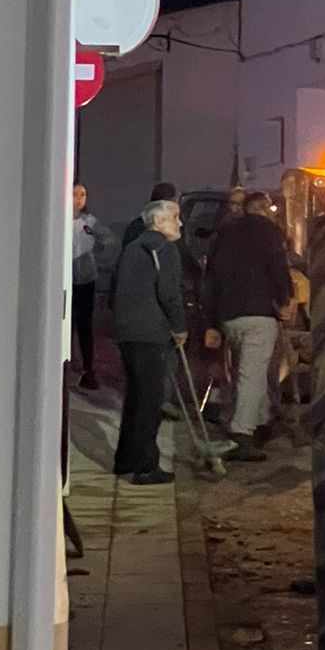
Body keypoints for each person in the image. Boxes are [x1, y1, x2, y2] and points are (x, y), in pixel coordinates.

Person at [202, 191, 293, 463]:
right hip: (258, 312)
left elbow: (210, 279)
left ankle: (262, 421)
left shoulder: (224, 234)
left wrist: (212, 322)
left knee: (247, 370)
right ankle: (242, 434)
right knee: (253, 374)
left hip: (230, 315)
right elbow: (277, 265)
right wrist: (285, 297)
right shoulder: (269, 232)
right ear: (265, 209)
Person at [109, 198, 187, 486]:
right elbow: (169, 293)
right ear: (158, 222)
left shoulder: (132, 247)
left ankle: (125, 459)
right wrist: (179, 326)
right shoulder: (165, 249)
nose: (180, 223)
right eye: (175, 217)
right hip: (151, 332)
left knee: (135, 396)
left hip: (128, 331)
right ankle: (145, 465)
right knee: (150, 402)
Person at [70, 181, 106, 390]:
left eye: (83, 195)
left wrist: (95, 255)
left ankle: (87, 369)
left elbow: (107, 239)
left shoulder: (90, 221)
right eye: (76, 194)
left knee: (84, 326)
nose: (80, 199)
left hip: (85, 279)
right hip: (66, 278)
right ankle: (67, 363)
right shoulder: (61, 220)